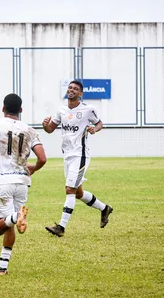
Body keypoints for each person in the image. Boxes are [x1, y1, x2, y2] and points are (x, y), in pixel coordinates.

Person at [0, 93, 47, 275]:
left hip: (3, 182)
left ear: (3, 108)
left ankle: (17, 217)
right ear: (21, 110)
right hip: (22, 182)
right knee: (8, 225)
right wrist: (33, 169)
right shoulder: (30, 130)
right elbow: (42, 158)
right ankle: (3, 267)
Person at [42, 80, 113, 237]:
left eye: (75, 89)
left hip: (80, 155)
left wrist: (94, 129)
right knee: (79, 193)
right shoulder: (61, 110)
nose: (71, 90)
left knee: (70, 190)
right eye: (70, 88)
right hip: (67, 155)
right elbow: (50, 129)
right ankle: (104, 208)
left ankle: (61, 227)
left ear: (80, 94)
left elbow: (99, 123)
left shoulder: (88, 109)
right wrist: (45, 125)